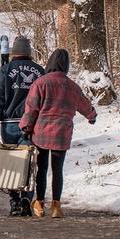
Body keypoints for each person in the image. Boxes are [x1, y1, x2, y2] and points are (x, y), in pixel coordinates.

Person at [19, 49, 97, 218]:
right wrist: (92, 116)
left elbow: (32, 109)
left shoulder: (40, 83)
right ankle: (56, 206)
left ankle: (39, 203)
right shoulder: (72, 86)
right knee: (57, 169)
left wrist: (26, 127)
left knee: (41, 168)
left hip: (41, 134)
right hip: (61, 134)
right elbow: (84, 104)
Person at [0, 36, 45, 216]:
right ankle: (26, 198)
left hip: (9, 124)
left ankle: (14, 202)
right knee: (29, 163)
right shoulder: (39, 71)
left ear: (14, 52)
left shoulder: (5, 70)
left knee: (12, 163)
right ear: (29, 52)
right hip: (32, 124)